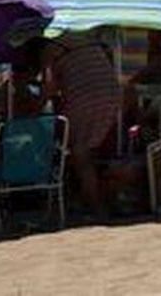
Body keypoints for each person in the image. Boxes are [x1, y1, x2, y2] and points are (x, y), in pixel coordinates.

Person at [41, 33, 122, 217]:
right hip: (111, 92)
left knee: (80, 153)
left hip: (85, 96)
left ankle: (96, 207)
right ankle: (93, 199)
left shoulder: (50, 48)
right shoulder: (84, 37)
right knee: (91, 150)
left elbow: (49, 86)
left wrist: (34, 106)